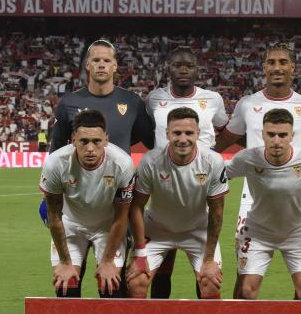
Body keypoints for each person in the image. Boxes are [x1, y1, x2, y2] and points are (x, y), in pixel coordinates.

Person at [214, 42, 301, 298]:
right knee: (244, 273)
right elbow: (223, 142)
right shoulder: (247, 104)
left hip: (296, 196)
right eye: (271, 62)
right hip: (252, 198)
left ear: (292, 67)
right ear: (264, 67)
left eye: (282, 62)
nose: (277, 67)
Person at [41, 38, 154, 297]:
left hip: (115, 202)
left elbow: (151, 143)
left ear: (115, 66)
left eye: (107, 60)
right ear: (87, 66)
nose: (101, 64)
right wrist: (48, 195)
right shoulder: (69, 102)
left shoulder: (132, 103)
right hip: (75, 203)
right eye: (96, 60)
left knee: (112, 284)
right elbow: (57, 148)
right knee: (67, 285)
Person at [144, 46, 228, 299]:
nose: (183, 70)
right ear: (168, 69)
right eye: (177, 65)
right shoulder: (153, 99)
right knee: (163, 264)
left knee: (204, 270)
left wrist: (212, 158)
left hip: (200, 181)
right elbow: (154, 133)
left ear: (197, 70)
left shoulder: (212, 99)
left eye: (189, 66)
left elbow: (224, 130)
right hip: (164, 181)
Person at [225, 108, 301, 299]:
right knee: (246, 291)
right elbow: (219, 175)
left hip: (297, 232)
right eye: (271, 134)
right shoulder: (247, 158)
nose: (276, 141)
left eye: (283, 135)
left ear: (292, 135)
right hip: (257, 232)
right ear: (262, 135)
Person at [125, 107, 228, 299]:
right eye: (176, 133)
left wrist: (209, 259)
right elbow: (137, 207)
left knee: (210, 282)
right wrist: (139, 252)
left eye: (189, 133)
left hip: (197, 229)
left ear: (198, 133)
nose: (182, 139)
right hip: (157, 229)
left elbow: (217, 212)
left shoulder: (212, 161)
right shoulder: (150, 161)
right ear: (167, 134)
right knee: (136, 282)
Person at [39, 110, 135, 298]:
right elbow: (54, 217)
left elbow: (122, 216)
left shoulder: (122, 164)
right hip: (71, 226)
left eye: (96, 141)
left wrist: (107, 261)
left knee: (111, 286)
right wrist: (66, 263)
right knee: (66, 285)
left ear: (106, 140)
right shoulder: (55, 163)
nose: (90, 148)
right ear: (73, 139)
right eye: (84, 141)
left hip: (108, 227)